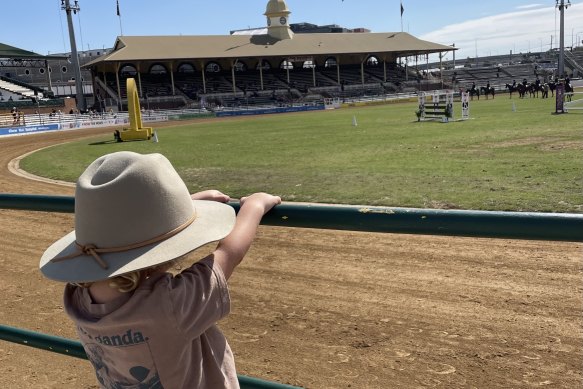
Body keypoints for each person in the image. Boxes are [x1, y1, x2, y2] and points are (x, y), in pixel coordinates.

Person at [39, 151, 281, 388]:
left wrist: (184, 207)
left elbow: (136, 249)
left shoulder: (77, 298)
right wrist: (255, 206)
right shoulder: (172, 304)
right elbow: (230, 253)